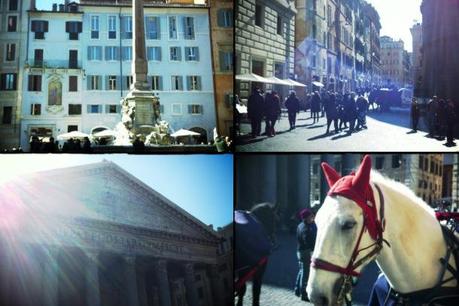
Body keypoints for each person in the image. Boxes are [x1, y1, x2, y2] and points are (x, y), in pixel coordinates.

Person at [294, 208, 317, 302]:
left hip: (300, 251)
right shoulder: (305, 228)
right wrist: (312, 249)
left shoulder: (301, 225)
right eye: (310, 216)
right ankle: (304, 293)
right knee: (305, 273)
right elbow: (306, 240)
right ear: (306, 217)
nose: (312, 217)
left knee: (301, 271)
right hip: (305, 252)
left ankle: (297, 289)